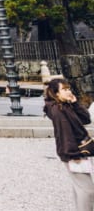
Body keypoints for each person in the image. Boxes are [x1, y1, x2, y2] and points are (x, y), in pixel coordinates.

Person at [45, 77, 94, 209]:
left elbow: (86, 119)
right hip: (74, 152)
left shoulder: (66, 105)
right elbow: (64, 133)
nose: (68, 91)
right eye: (64, 89)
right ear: (56, 93)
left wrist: (75, 103)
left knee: (80, 188)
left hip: (78, 150)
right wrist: (74, 154)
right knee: (87, 191)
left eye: (69, 88)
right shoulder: (58, 110)